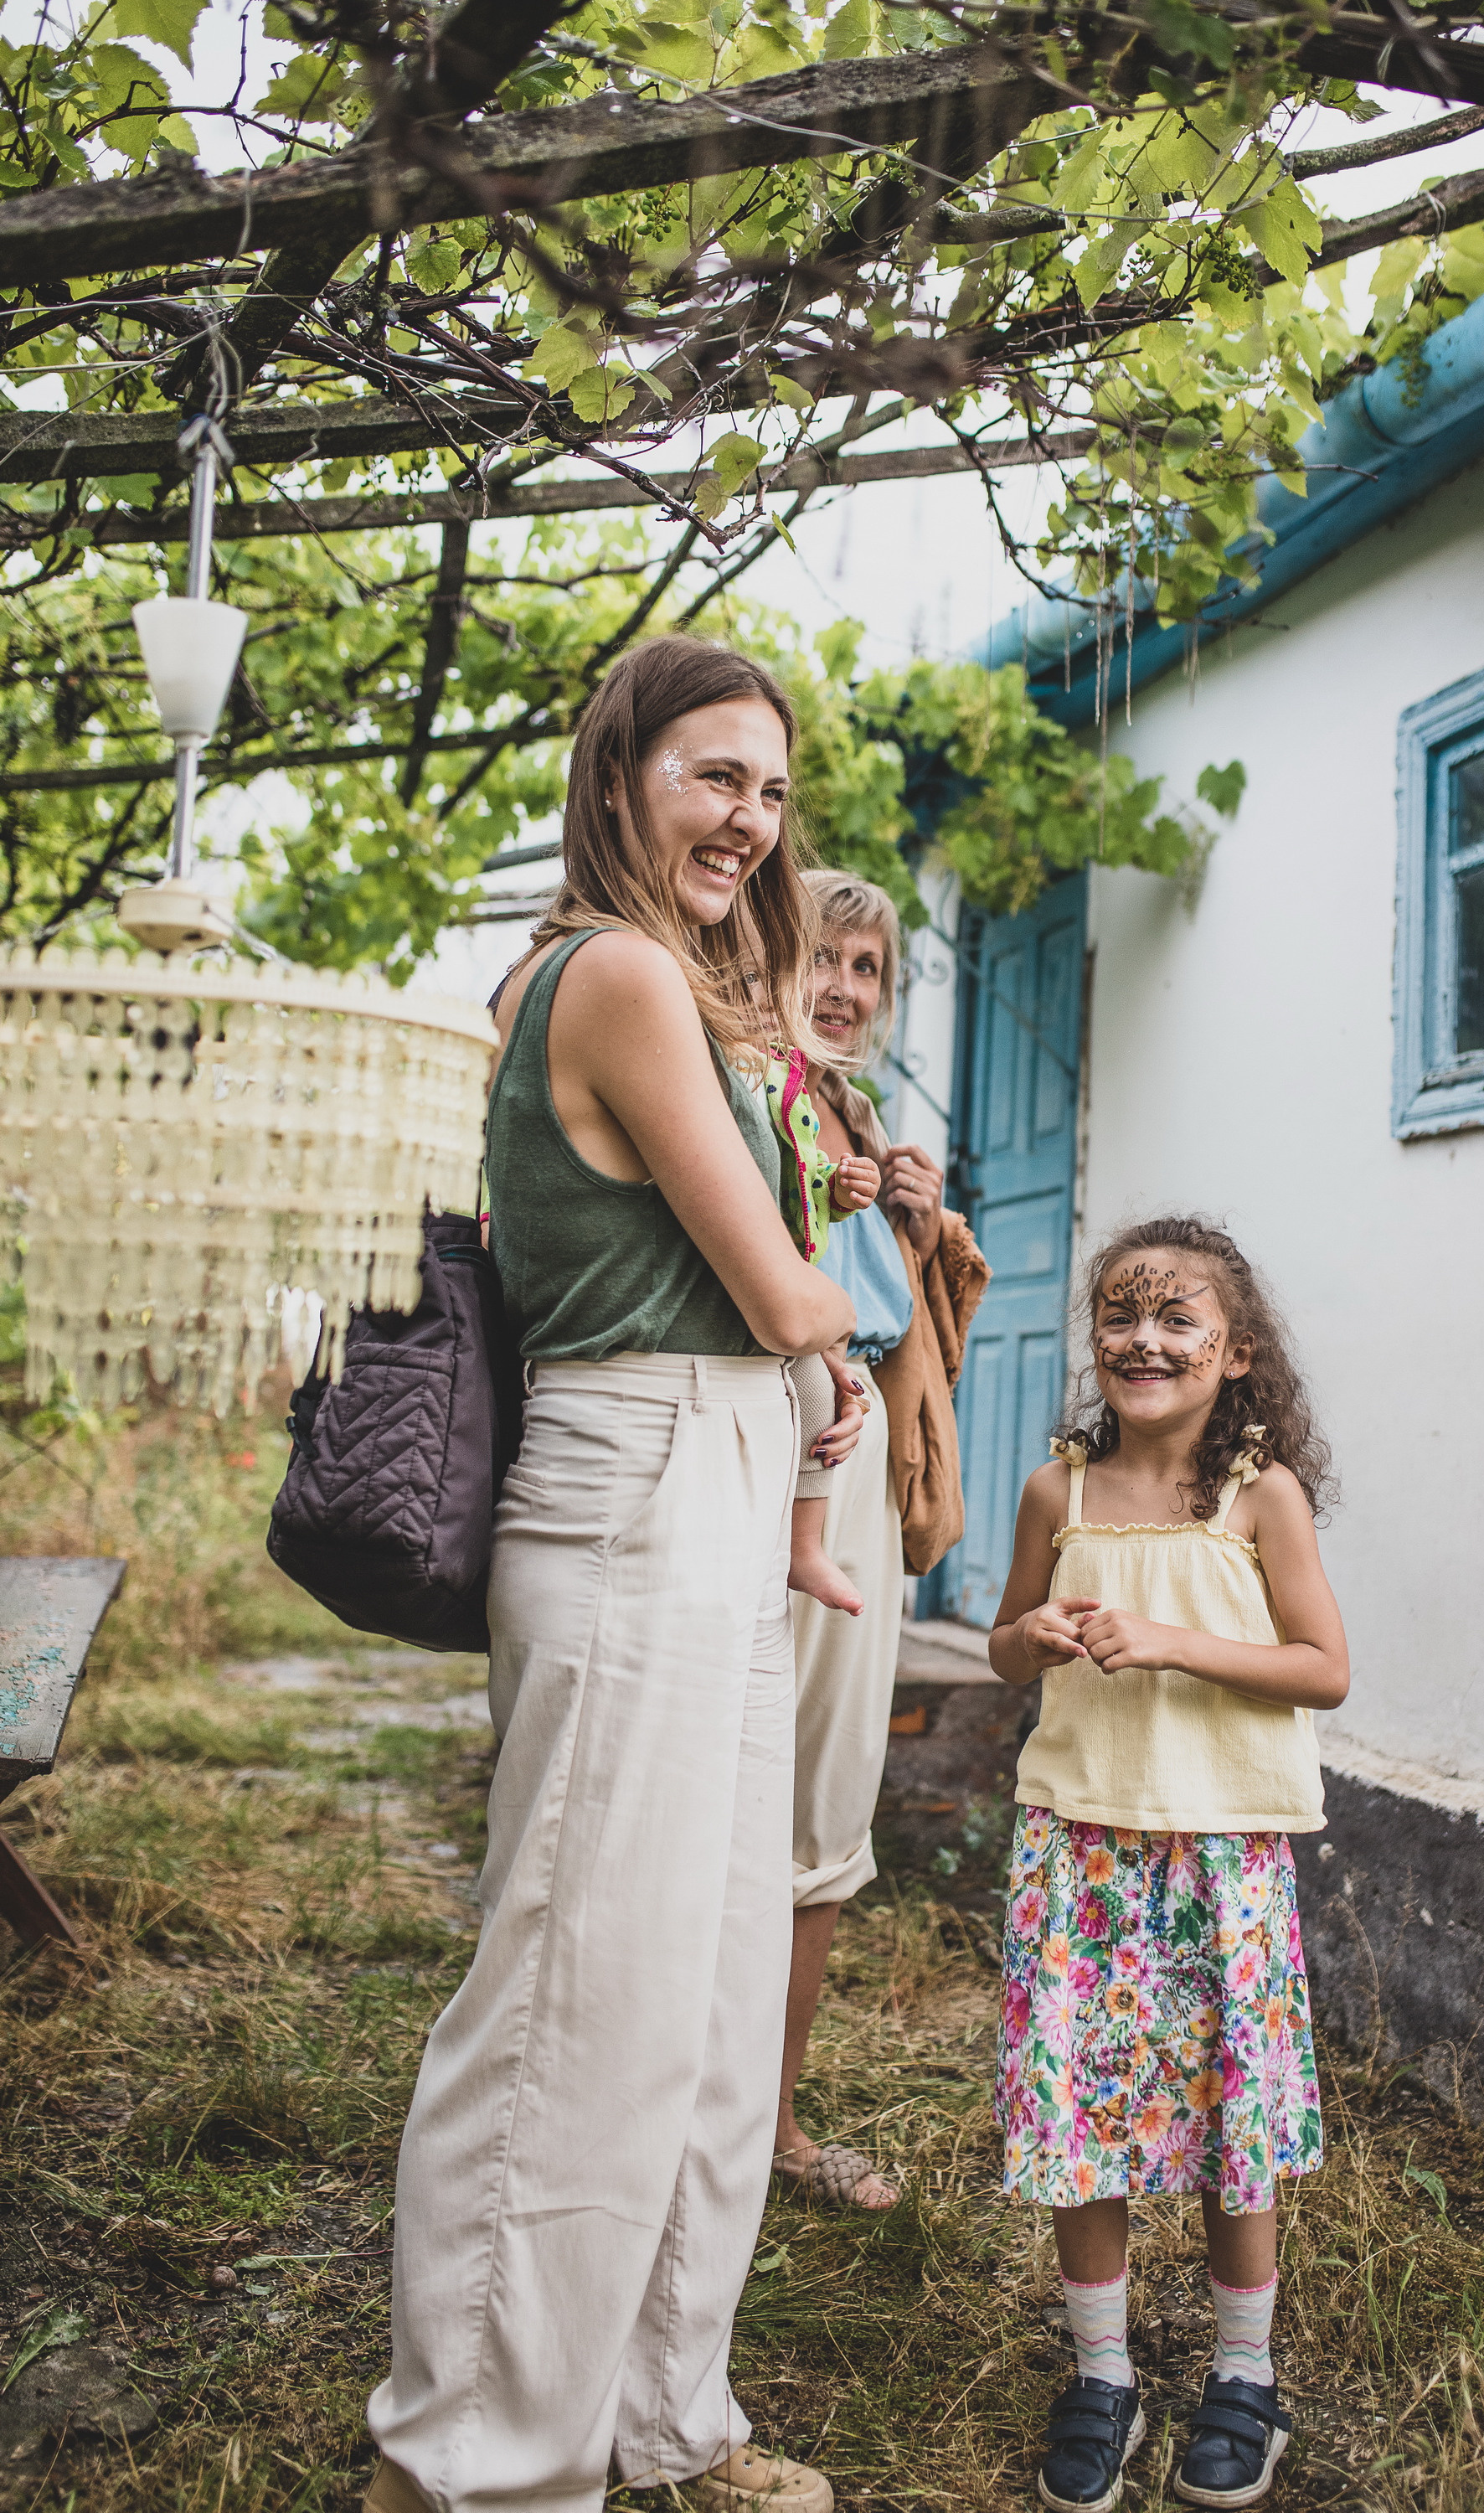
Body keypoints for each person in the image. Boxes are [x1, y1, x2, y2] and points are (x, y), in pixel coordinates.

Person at [364, 637, 858, 2513]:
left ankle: (667, 2414)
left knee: (716, 1992)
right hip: (639, 1472)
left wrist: (809, 1370)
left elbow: (774, 1312)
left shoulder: (693, 992)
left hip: (720, 1472)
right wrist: (843, 1342)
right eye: (714, 776)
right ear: (622, 773)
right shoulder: (622, 973)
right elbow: (778, 1283)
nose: (750, 818)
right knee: (578, 1988)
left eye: (773, 790)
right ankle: (469, 2464)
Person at [987, 1216, 1349, 2512]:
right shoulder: (1057, 1491)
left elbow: (1324, 1668)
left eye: (1177, 1318)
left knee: (1228, 2118)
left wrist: (1172, 1641)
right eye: (1120, 1317)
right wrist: (1029, 1634)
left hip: (1221, 1857)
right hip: (1078, 1848)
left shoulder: (1260, 1495)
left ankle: (1244, 2377)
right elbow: (1002, 1649)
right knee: (1084, 2120)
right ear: (1096, 1340)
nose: (1144, 1339)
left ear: (1234, 1349)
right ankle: (1103, 2375)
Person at [773, 870, 990, 2212]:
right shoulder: (743, 1082)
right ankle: (696, 2110)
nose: (847, 989)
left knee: (829, 1793)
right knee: (737, 1786)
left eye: (870, 969)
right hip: (773, 1453)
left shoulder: (857, 1114)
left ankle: (777, 2124)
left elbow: (907, 1324)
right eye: (824, 958)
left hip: (852, 1473)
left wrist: (911, 1216)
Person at [760, 1040, 881, 1616]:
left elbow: (800, 1176)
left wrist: (837, 1188)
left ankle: (803, 1547)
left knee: (817, 1391)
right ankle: (803, 1547)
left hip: (793, 1292)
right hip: (767, 1287)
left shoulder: (792, 1078)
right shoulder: (739, 1071)